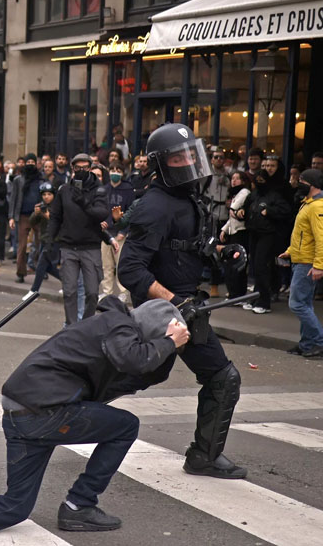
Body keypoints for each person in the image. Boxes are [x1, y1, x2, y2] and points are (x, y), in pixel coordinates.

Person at [0, 298, 191, 545]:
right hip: (44, 412)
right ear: (151, 331)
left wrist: (170, 349)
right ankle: (80, 505)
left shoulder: (112, 329)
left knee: (16, 506)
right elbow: (135, 361)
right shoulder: (118, 326)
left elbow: (142, 374)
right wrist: (167, 341)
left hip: (23, 412)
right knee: (127, 426)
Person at [118, 123, 249, 479]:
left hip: (186, 308)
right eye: (179, 157)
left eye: (192, 154)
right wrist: (175, 301)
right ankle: (60, 408)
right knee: (126, 376)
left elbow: (193, 246)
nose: (188, 162)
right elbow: (130, 271)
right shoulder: (155, 206)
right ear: (161, 164)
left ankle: (203, 456)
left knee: (219, 376)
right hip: (164, 312)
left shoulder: (187, 199)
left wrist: (225, 252)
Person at [47, 153, 117, 325]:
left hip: (90, 247)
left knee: (92, 292)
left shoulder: (98, 189)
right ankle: (71, 326)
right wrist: (49, 240)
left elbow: (102, 213)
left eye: (85, 168)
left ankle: (86, 325)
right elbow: (56, 217)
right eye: (77, 168)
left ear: (90, 168)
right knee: (69, 291)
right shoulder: (64, 190)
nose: (81, 171)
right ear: (72, 168)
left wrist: (84, 202)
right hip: (69, 247)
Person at [279, 169, 323, 358]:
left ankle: (319, 342)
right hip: (301, 260)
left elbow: (321, 238)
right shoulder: (308, 204)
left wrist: (319, 265)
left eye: (302, 181)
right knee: (305, 303)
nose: (297, 184)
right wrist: (290, 251)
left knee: (297, 304)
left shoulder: (316, 207)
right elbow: (303, 235)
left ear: (311, 185)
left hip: (307, 263)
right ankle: (307, 344)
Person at [238, 167, 292, 314]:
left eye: (262, 180)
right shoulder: (254, 195)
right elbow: (245, 207)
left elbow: (286, 211)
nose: (259, 182)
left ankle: (264, 301)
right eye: (257, 180)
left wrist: (270, 211)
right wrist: (241, 211)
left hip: (267, 234)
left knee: (262, 266)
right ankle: (256, 297)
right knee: (255, 266)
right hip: (254, 233)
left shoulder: (274, 195)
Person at [100, 161, 135, 303]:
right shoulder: (104, 189)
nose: (115, 173)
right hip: (106, 233)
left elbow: (131, 211)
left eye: (118, 170)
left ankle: (123, 292)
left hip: (120, 234)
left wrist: (124, 230)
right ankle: (106, 291)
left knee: (120, 264)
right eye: (112, 170)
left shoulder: (127, 189)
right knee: (106, 265)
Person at [201, 147, 230, 297]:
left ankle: (215, 284)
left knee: (220, 251)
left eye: (221, 157)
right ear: (211, 160)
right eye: (216, 157)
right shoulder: (207, 175)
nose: (219, 160)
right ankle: (200, 281)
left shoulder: (229, 175)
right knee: (207, 248)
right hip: (210, 214)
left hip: (224, 216)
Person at [9, 153, 42, 283]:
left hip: (38, 215)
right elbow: (13, 199)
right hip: (23, 215)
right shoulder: (18, 180)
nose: (30, 165)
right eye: (28, 162)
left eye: (32, 162)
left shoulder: (41, 179)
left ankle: (40, 270)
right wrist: (11, 217)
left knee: (40, 244)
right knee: (21, 246)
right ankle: (20, 272)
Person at [219, 171, 251, 300]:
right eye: (232, 178)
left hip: (241, 232)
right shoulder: (236, 193)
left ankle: (237, 294)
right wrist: (224, 230)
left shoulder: (244, 192)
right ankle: (233, 292)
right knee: (231, 263)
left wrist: (233, 209)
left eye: (237, 178)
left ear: (243, 181)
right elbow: (231, 216)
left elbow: (233, 208)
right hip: (233, 230)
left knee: (237, 264)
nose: (234, 181)